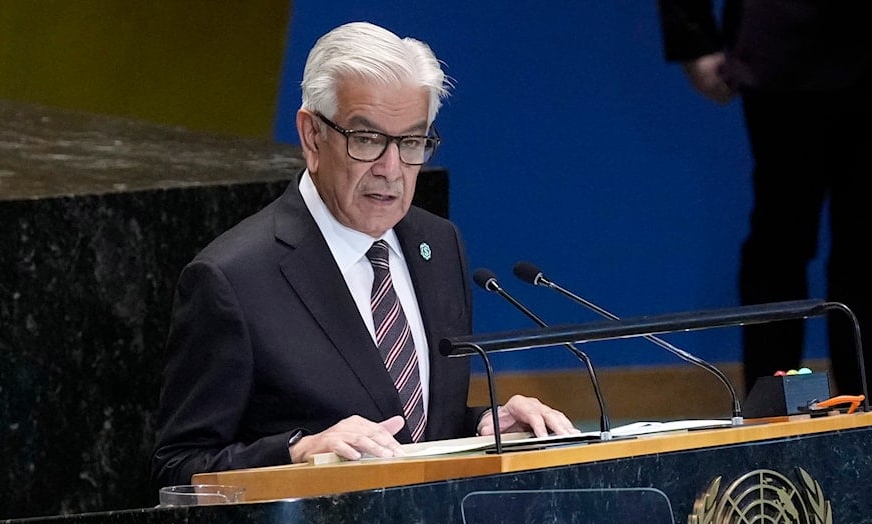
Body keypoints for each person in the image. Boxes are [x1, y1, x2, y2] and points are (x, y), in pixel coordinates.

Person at [151, 21, 577, 487]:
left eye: (412, 142)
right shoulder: (233, 278)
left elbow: (411, 430)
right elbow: (177, 468)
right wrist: (297, 451)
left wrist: (483, 424)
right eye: (368, 140)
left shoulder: (440, 245)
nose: (391, 169)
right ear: (312, 136)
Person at [658, 1, 872, 405]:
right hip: (787, 47)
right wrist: (693, 35)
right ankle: (772, 432)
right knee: (780, 246)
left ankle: (867, 431)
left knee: (869, 254)